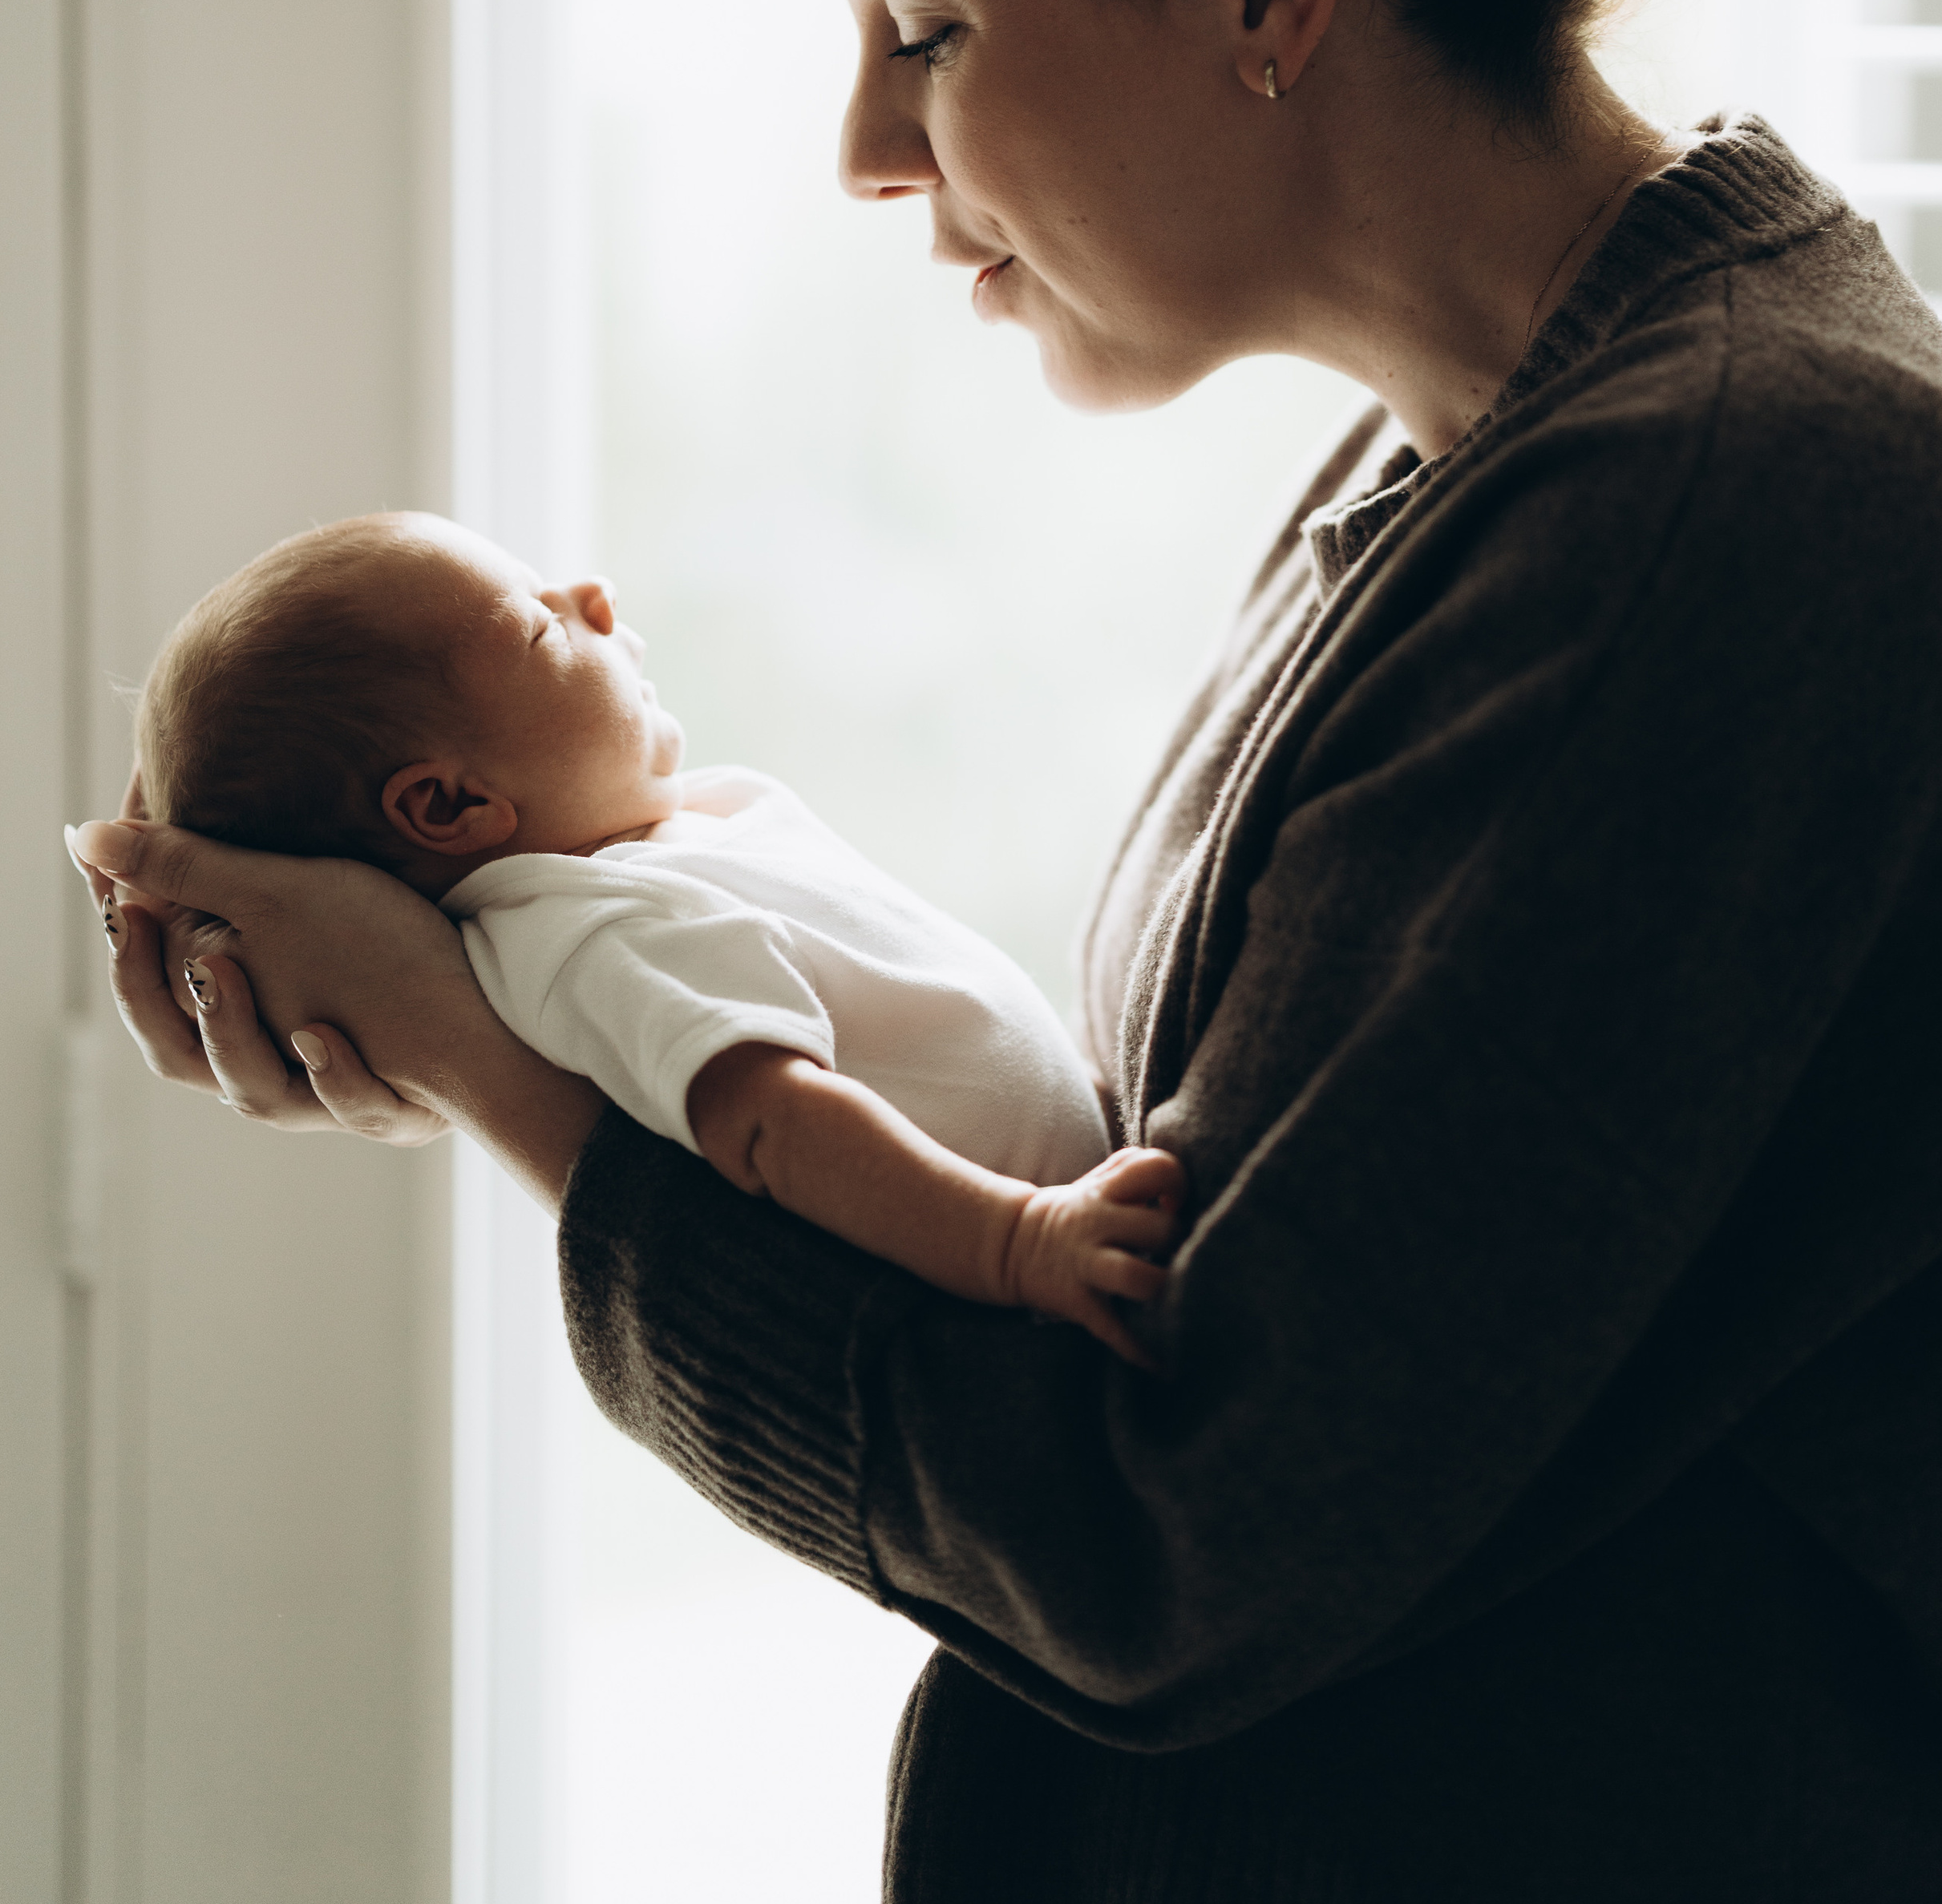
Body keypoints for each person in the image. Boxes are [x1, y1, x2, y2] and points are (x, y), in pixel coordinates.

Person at [75, 0, 1942, 1904]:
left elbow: (1160, 1534)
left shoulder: (1723, 522)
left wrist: (498, 1068)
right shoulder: (1493, 468)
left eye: (928, 26)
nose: (874, 150)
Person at [126, 507, 1178, 1356]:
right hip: (1034, 1291)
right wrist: (1016, 1241)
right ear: (447, 808)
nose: (594, 596)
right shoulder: (594, 933)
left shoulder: (656, 852)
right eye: (541, 625)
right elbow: (772, 1126)